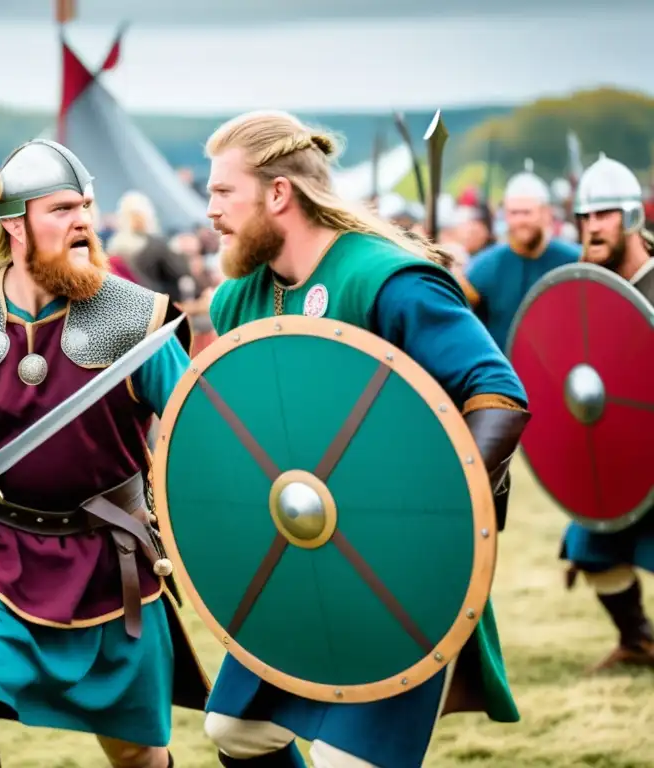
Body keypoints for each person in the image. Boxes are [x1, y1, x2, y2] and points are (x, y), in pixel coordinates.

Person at [198, 110, 531, 767]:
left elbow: (497, 396)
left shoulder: (387, 280)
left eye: (221, 191)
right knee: (235, 730)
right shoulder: (238, 299)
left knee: (348, 761)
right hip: (298, 561)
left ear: (279, 194)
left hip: (396, 570)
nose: (209, 210)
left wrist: (433, 505)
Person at [0, 134, 208, 768]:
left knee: (137, 752)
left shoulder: (135, 319)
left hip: (109, 553)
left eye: (85, 205)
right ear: (15, 225)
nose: (82, 220)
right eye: (60, 209)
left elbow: (201, 426)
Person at [561, 153, 654, 671]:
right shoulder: (585, 290)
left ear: (633, 218)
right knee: (588, 545)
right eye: (585, 217)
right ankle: (638, 640)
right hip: (619, 455)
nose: (592, 228)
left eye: (605, 215)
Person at [457, 165, 580, 353]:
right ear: (505, 215)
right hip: (504, 376)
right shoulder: (483, 268)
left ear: (545, 213)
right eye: (514, 213)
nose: (520, 221)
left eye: (527, 212)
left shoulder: (575, 261)